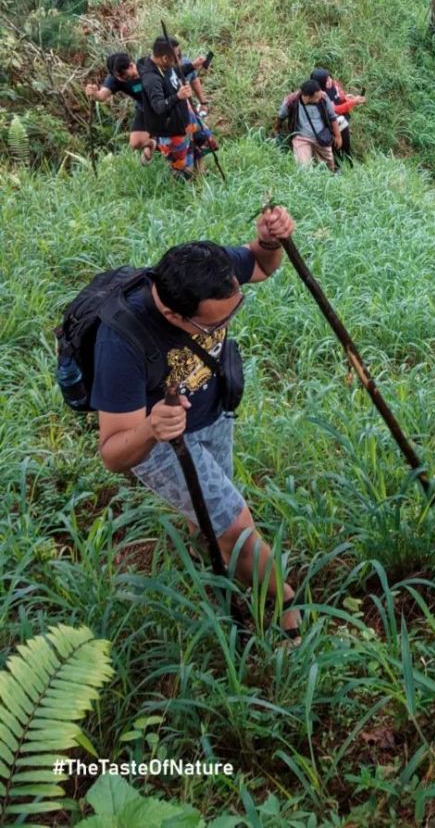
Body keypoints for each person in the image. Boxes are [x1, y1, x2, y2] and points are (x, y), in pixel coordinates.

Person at [91, 206, 301, 639]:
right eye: (217, 322)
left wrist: (269, 241)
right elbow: (113, 452)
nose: (226, 325)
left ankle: (215, 569)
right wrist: (152, 427)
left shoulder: (210, 273)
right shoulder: (121, 343)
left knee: (212, 517)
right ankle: (288, 614)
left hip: (215, 411)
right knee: (239, 527)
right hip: (161, 441)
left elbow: (261, 266)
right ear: (173, 316)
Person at [139, 37, 217, 182]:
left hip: (185, 117)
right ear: (164, 58)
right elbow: (158, 107)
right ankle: (187, 194)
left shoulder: (165, 67)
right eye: (176, 57)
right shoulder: (151, 79)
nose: (179, 60)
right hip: (171, 129)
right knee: (182, 169)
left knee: (203, 141)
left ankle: (201, 176)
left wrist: (193, 65)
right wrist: (178, 96)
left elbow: (174, 72)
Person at [85, 52, 156, 164]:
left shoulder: (147, 66)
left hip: (164, 104)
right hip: (144, 108)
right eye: (120, 77)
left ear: (131, 65)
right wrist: (94, 94)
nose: (124, 79)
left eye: (126, 76)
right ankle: (152, 143)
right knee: (135, 143)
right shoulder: (116, 79)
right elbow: (102, 96)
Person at [276, 79, 340, 171]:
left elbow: (332, 117)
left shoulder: (323, 97)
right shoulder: (292, 100)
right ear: (307, 98)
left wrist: (338, 136)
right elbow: (281, 116)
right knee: (304, 169)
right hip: (301, 138)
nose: (320, 97)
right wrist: (276, 129)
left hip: (322, 137)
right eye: (317, 97)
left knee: (328, 168)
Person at [311, 68, 366, 164]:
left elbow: (340, 97)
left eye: (329, 78)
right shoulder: (320, 96)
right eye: (327, 80)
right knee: (338, 144)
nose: (330, 81)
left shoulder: (333, 84)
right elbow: (335, 109)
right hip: (328, 125)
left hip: (340, 120)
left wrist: (348, 99)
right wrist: (353, 102)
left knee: (345, 143)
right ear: (320, 83)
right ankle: (340, 162)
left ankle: (347, 160)